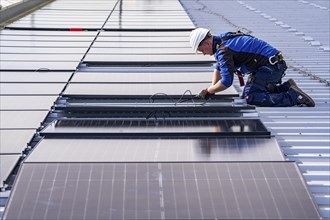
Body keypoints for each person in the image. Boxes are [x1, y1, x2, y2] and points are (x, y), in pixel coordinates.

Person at [190, 28, 315, 107]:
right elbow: (219, 67)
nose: (204, 54)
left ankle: (294, 96)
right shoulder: (223, 39)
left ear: (206, 43)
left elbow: (227, 82)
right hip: (271, 65)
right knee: (249, 94)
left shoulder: (223, 51)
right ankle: (286, 87)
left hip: (270, 68)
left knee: (251, 97)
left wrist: (208, 91)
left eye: (202, 50)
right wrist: (212, 89)